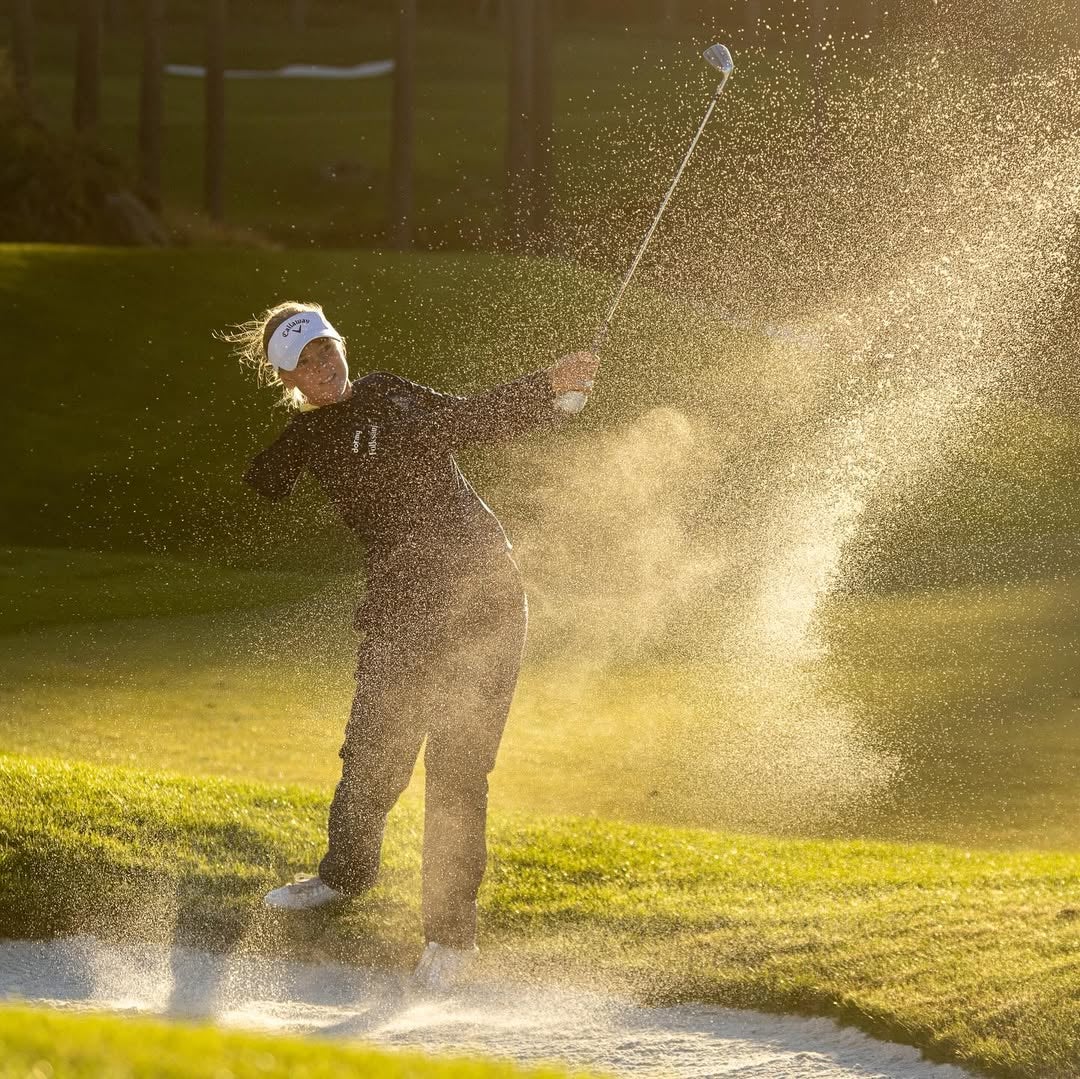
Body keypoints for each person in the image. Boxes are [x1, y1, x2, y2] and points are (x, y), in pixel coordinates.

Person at [225, 301, 598, 990]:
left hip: (484, 598)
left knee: (457, 769)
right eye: (306, 362)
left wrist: (550, 392)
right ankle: (344, 875)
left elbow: (465, 420)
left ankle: (452, 937)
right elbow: (255, 487)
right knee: (371, 751)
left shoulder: (388, 394)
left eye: (327, 349)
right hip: (401, 610)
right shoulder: (309, 439)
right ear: (288, 378)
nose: (324, 365)